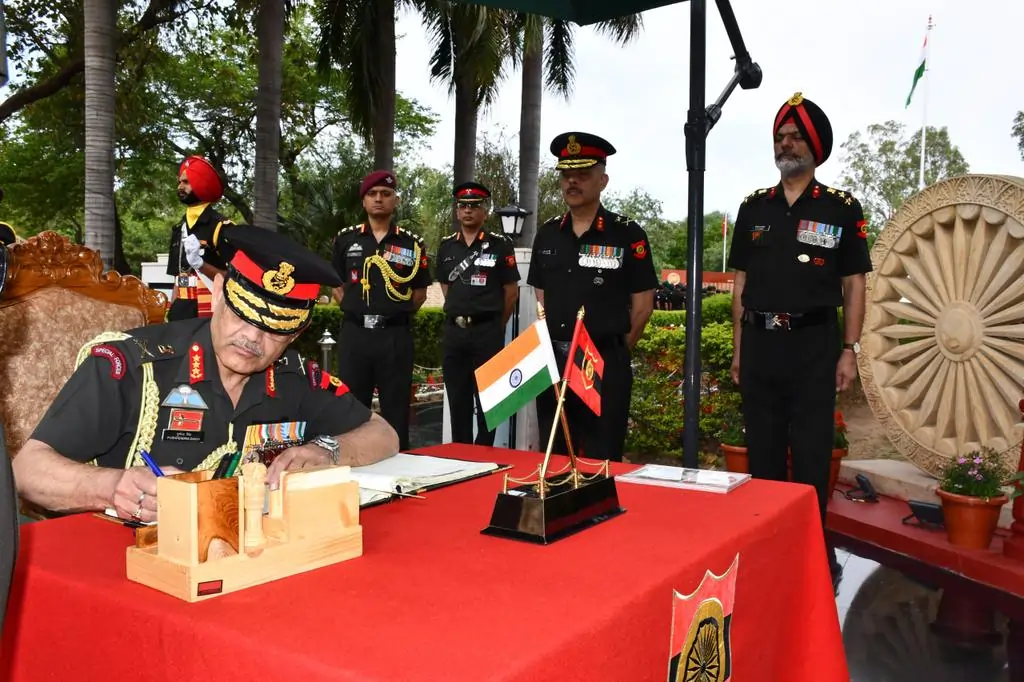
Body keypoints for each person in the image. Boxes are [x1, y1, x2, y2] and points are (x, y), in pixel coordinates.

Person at [13, 226, 399, 523]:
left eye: (273, 329)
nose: (251, 337)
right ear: (217, 294)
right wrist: (113, 487)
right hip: (129, 556)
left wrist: (326, 452)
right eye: (240, 315)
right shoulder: (133, 365)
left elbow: (383, 434)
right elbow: (28, 469)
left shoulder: (294, 377)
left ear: (295, 334)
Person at [726, 92, 872, 588]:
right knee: (763, 457)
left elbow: (855, 284)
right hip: (761, 344)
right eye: (780, 137)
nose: (785, 144)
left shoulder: (841, 209)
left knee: (811, 457)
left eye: (795, 137)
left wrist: (849, 349)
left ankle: (812, 552)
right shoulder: (753, 208)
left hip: (814, 347)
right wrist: (740, 351)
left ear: (815, 147)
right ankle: (766, 549)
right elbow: (741, 286)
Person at [528, 132, 657, 462]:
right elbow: (542, 296)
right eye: (566, 175)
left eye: (583, 175)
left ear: (603, 180)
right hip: (555, 363)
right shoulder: (547, 233)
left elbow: (643, 306)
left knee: (602, 460)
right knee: (554, 457)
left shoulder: (626, 233)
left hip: (602, 362)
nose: (572, 182)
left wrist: (609, 355)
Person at [331, 170, 432, 451]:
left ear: (395, 201)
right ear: (363, 201)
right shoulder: (345, 240)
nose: (379, 199)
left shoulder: (410, 244)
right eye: (372, 194)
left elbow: (420, 293)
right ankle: (353, 467)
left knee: (396, 408)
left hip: (394, 337)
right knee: (351, 407)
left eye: (386, 194)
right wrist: (357, 310)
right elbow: (336, 286)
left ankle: (399, 469)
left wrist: (391, 311)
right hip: (355, 335)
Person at [436, 181, 520, 445]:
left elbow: (511, 293)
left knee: (488, 402)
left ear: (485, 211)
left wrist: (495, 324)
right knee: (457, 400)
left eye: (474, 206)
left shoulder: (499, 246)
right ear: (457, 211)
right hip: (454, 334)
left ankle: (485, 453)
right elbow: (446, 287)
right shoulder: (447, 246)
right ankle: (461, 454)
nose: (468, 211)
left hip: (487, 333)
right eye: (463, 206)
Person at [166, 155, 234, 322]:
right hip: (180, 312)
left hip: (210, 311)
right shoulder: (179, 228)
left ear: (201, 185)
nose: (180, 186)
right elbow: (178, 278)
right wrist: (170, 311)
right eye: (180, 182)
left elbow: (234, 279)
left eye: (186, 182)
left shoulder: (221, 226)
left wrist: (200, 265)